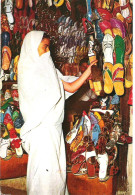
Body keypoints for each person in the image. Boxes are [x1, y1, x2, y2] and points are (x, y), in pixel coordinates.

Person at [18, 31, 97, 195]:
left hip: (54, 130)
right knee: (43, 179)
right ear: (32, 48)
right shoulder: (28, 72)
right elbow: (46, 97)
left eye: (48, 48)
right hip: (41, 132)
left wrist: (88, 72)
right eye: (44, 47)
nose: (47, 52)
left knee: (56, 177)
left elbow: (70, 87)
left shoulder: (49, 70)